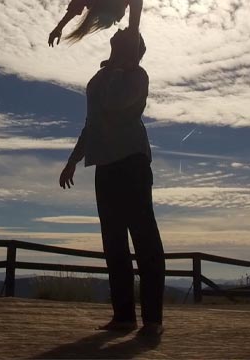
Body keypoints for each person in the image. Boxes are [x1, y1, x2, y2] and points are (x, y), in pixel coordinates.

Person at [59, 28, 165, 337]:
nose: (117, 33)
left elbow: (117, 105)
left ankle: (153, 319)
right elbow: (92, 122)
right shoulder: (100, 77)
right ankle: (124, 316)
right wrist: (73, 159)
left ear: (133, 49)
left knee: (144, 239)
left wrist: (120, 68)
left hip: (131, 161)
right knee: (114, 242)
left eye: (125, 39)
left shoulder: (136, 76)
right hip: (104, 164)